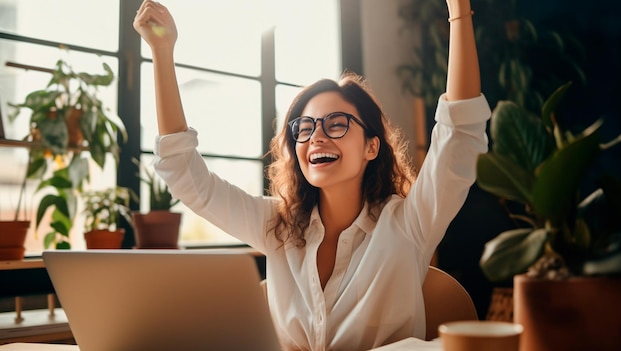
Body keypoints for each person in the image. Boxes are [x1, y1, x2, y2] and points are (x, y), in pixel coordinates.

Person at [134, 0, 490, 350]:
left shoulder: (408, 223)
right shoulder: (276, 225)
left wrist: (458, 9)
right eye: (304, 128)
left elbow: (459, 134)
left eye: (337, 124)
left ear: (371, 146)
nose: (316, 135)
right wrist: (162, 51)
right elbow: (185, 174)